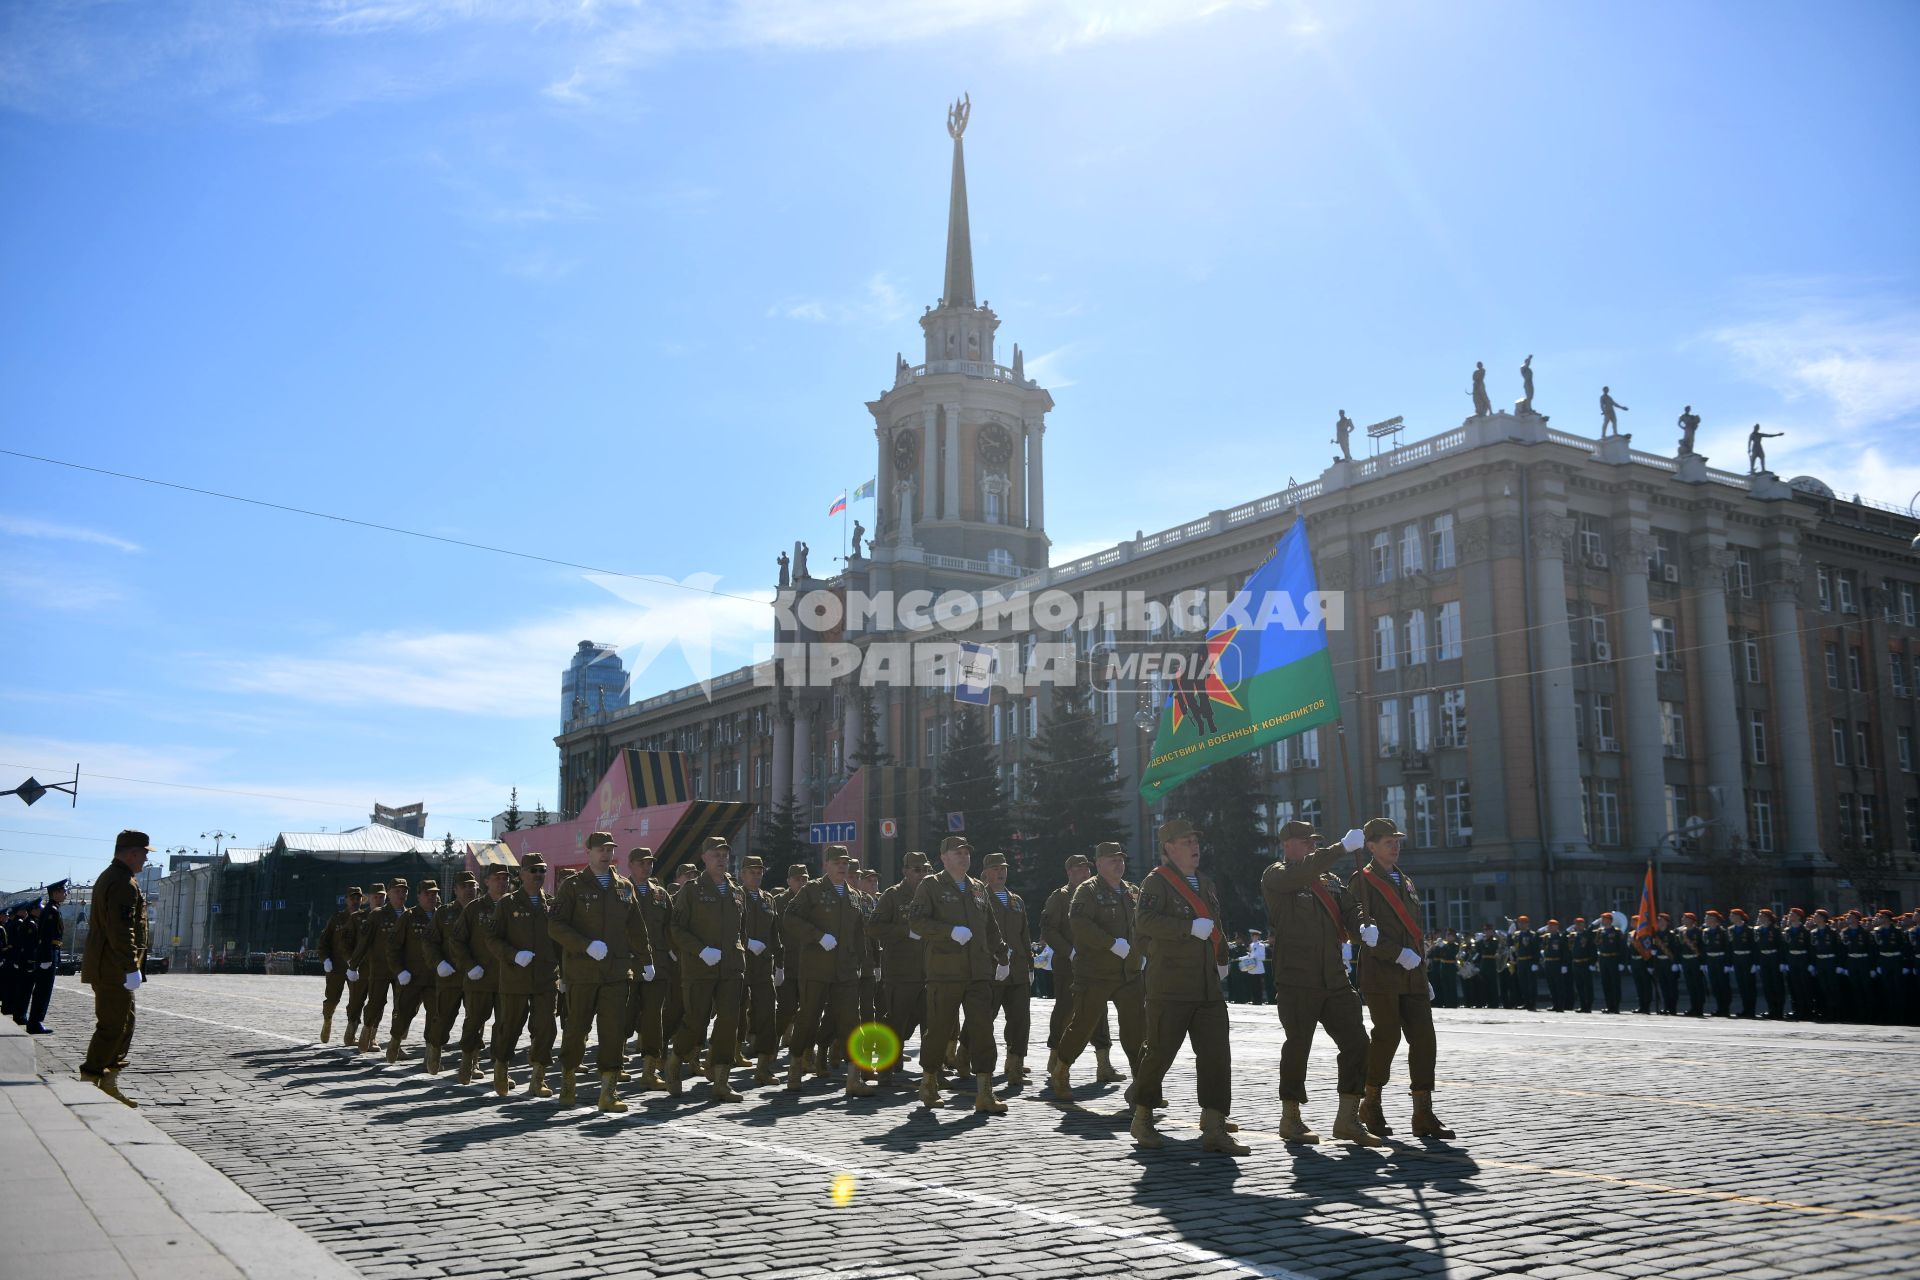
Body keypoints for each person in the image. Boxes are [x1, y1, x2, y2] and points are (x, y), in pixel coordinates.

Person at [1130, 818, 1246, 1155]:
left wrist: (1221, 956)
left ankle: (1213, 1124)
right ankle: (1143, 1116)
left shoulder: (1206, 883)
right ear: (1169, 848)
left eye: (1195, 840)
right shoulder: (1156, 883)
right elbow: (1145, 923)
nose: (1195, 846)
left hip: (1206, 985)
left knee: (1215, 1054)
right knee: (1161, 1052)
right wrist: (1186, 926)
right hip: (1170, 983)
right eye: (1186, 841)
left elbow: (1216, 925)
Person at [1259, 819, 1377, 1146]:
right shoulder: (1278, 875)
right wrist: (1340, 848)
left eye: (1315, 842)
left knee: (1357, 1043)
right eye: (1307, 842)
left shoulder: (1331, 880)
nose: (1313, 847)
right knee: (1298, 1046)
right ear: (1288, 845)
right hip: (1298, 978)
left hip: (1334, 979)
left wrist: (1364, 926)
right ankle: (1291, 1117)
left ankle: (1347, 1118)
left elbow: (1349, 909)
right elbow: (1303, 872)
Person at [1350, 817, 1453, 1140]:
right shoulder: (1362, 881)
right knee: (1388, 1036)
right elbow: (1361, 932)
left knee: (1424, 1038)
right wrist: (1396, 953)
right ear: (1370, 846)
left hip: (1413, 973)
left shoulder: (1405, 880)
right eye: (1387, 842)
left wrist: (1420, 968)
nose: (1395, 846)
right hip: (1382, 973)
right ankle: (1371, 1102)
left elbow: (1413, 928)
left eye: (1397, 841)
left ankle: (1423, 1110)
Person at [549, 832, 651, 1112]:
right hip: (583, 971)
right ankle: (568, 1078)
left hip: (617, 972)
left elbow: (636, 927)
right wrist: (585, 945)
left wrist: (646, 960)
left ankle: (608, 1091)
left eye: (610, 849)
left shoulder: (624, 887)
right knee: (576, 1028)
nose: (606, 854)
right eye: (600, 849)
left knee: (613, 1031)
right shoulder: (573, 886)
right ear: (588, 852)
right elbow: (555, 925)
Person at [909, 836, 1010, 1115]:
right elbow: (917, 921)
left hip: (977, 972)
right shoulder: (931, 885)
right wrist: (949, 931)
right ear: (944, 857)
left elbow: (989, 926)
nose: (964, 856)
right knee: (940, 1029)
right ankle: (929, 1081)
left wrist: (1002, 955)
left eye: (967, 852)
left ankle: (985, 1093)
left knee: (982, 1031)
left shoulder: (978, 888)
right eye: (958, 852)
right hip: (945, 972)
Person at [1049, 842, 1147, 1103]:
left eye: (1121, 859)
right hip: (1095, 972)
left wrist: (1145, 951)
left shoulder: (1132, 891)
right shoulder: (1087, 891)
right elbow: (1080, 924)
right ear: (1100, 863)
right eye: (1112, 860)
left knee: (1137, 1029)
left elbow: (1142, 925)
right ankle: (1061, 1070)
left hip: (1129, 972)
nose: (1119, 864)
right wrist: (1110, 943)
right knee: (1083, 1024)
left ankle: (1143, 1086)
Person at [781, 845, 873, 1097]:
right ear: (826, 865)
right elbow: (790, 919)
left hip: (845, 969)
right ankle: (795, 1067)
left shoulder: (854, 896)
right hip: (816, 967)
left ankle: (853, 1078)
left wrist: (862, 965)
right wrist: (817, 936)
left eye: (846, 862)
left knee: (850, 1022)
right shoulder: (812, 891)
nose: (842, 866)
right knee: (808, 1018)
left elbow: (858, 935)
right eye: (837, 862)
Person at [670, 835, 749, 1102]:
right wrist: (701, 950)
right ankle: (675, 1060)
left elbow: (742, 930)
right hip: (699, 966)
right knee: (696, 1020)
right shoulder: (691, 890)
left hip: (730, 967)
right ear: (704, 857)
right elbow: (676, 928)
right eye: (716, 854)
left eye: (725, 854)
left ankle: (721, 1080)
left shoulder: (736, 891)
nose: (721, 858)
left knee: (729, 1022)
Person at [79, 830, 151, 1107]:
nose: (145, 859)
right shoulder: (122, 882)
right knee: (112, 1026)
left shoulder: (118, 877)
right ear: (132, 853)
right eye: (144, 853)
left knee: (123, 1023)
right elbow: (121, 930)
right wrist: (130, 966)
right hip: (113, 967)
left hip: (111, 965)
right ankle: (90, 1081)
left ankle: (107, 1081)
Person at [1041, 854, 1121, 1085]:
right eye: (1079, 869)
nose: (1085, 873)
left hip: (1095, 964)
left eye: (1087, 868)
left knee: (1099, 1011)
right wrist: (1070, 951)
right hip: (1068, 964)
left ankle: (1103, 1064)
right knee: (1065, 1010)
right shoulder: (1060, 897)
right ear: (1069, 872)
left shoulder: (1096, 894)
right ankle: (1055, 1055)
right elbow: (1049, 930)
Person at [490, 856, 559, 1098]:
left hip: (545, 977)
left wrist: (564, 973)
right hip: (515, 977)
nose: (538, 874)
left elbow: (559, 940)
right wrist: (513, 954)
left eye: (542, 870)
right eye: (533, 870)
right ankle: (501, 1067)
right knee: (509, 1027)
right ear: (521, 874)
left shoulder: (551, 904)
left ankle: (538, 1077)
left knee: (546, 1028)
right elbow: (492, 939)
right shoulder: (507, 904)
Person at [868, 852, 932, 1087]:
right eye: (917, 870)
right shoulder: (893, 896)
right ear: (905, 871)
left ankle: (931, 1073)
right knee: (896, 1021)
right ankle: (886, 1067)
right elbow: (874, 927)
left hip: (929, 971)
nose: (923, 874)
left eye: (926, 870)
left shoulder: (933, 895)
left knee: (930, 1024)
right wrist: (905, 931)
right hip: (900, 972)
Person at [624, 848, 681, 1092]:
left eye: (650, 863)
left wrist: (673, 951)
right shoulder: (621, 890)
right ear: (631, 865)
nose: (647, 867)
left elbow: (670, 926)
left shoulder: (661, 894)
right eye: (642, 863)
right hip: (628, 962)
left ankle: (649, 1069)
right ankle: (616, 1064)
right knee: (624, 1015)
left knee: (653, 1017)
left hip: (657, 964)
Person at [981, 851, 1032, 1088]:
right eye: (995, 869)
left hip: (1018, 970)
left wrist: (1029, 965)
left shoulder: (1016, 900)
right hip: (992, 968)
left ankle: (1015, 1064)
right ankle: (966, 1056)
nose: (1001, 872)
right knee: (983, 1017)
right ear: (986, 873)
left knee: (1020, 1019)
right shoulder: (979, 898)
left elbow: (1024, 935)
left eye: (1003, 868)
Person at [451, 867, 507, 1083]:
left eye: (505, 879)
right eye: (497, 879)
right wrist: (470, 965)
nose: (501, 883)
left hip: (506, 978)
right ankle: (468, 1061)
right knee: (474, 1021)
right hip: (479, 978)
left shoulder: (513, 906)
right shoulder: (475, 909)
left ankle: (501, 1068)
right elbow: (457, 941)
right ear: (486, 882)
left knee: (505, 1025)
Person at [384, 878, 445, 1064]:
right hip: (412, 978)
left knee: (436, 1016)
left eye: (434, 893)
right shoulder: (408, 917)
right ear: (418, 896)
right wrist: (399, 971)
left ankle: (431, 1056)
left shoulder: (442, 917)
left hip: (435, 978)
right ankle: (395, 1042)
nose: (431, 897)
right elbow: (392, 947)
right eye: (427, 893)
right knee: (404, 1013)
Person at [350, 877, 408, 1054]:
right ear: (389, 894)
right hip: (380, 968)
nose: (401, 894)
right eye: (397, 891)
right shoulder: (377, 915)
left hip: (403, 970)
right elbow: (363, 943)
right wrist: (353, 965)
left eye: (404, 891)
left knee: (402, 1006)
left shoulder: (410, 915)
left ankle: (395, 1043)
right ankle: (367, 1029)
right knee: (376, 1003)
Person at [425, 873, 475, 1074]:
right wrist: (438, 963)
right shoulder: (444, 914)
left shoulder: (484, 911)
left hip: (476, 976)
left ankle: (471, 1062)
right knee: (443, 1017)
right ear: (455, 890)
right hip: (450, 975)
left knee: (475, 1020)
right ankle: (435, 1050)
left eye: (472, 886)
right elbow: (429, 942)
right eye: (464, 886)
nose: (469, 889)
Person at [738, 854, 782, 1084]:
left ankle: (763, 1067)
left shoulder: (768, 900)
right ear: (742, 874)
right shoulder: (735, 896)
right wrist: (746, 943)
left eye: (759, 871)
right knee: (734, 1014)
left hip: (764, 965)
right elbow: (726, 929)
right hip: (739, 964)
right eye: (751, 871)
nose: (756, 875)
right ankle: (722, 1062)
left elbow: (775, 934)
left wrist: (780, 965)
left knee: (767, 1015)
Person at [316, 886, 365, 1044]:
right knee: (332, 998)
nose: (355, 901)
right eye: (352, 898)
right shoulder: (337, 918)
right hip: (336, 966)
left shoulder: (365, 919)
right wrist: (325, 959)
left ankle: (351, 1033)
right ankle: (327, 1020)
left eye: (358, 898)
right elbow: (323, 942)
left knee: (357, 1001)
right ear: (346, 900)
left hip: (357, 968)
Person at [23, 880, 67, 1035]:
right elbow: (45, 936)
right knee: (43, 990)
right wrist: (47, 957)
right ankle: (35, 1023)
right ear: (55, 893)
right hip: (48, 953)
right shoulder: (51, 911)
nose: (65, 893)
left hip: (52, 951)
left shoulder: (53, 909)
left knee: (44, 989)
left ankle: (35, 1021)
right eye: (62, 891)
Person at [1595, 913, 1627, 1014]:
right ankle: (1609, 1006)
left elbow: (1623, 948)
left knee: (1615, 984)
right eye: (1602, 919)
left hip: (1613, 959)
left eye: (1604, 919)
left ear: (1610, 920)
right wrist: (1592, 924)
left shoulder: (1617, 932)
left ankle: (1616, 1006)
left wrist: (1622, 962)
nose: (1602, 921)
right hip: (1603, 960)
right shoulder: (1600, 932)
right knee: (1605, 984)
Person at [1567, 918, 1596, 1013]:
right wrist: (1567, 930)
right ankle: (1583, 1005)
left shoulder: (1587, 935)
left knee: (1587, 986)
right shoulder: (1572, 936)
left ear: (1584, 925)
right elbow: (1563, 940)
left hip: (1585, 963)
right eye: (1576, 924)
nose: (1578, 926)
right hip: (1576, 963)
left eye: (1580, 924)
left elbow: (1593, 949)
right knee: (1579, 986)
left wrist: (1592, 963)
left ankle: (1588, 1006)